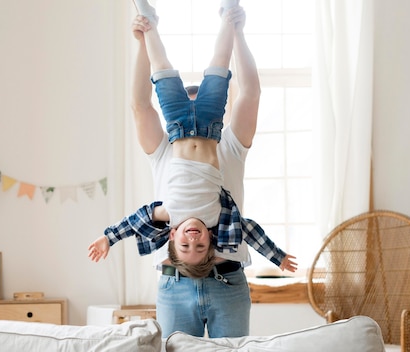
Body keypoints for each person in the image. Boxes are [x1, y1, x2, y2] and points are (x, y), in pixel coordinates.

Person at [89, 0, 297, 338]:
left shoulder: (229, 145)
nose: (193, 107)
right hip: (175, 284)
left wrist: (237, 30)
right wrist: (143, 40)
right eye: (190, 97)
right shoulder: (163, 152)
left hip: (227, 281)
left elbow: (251, 92)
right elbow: (140, 104)